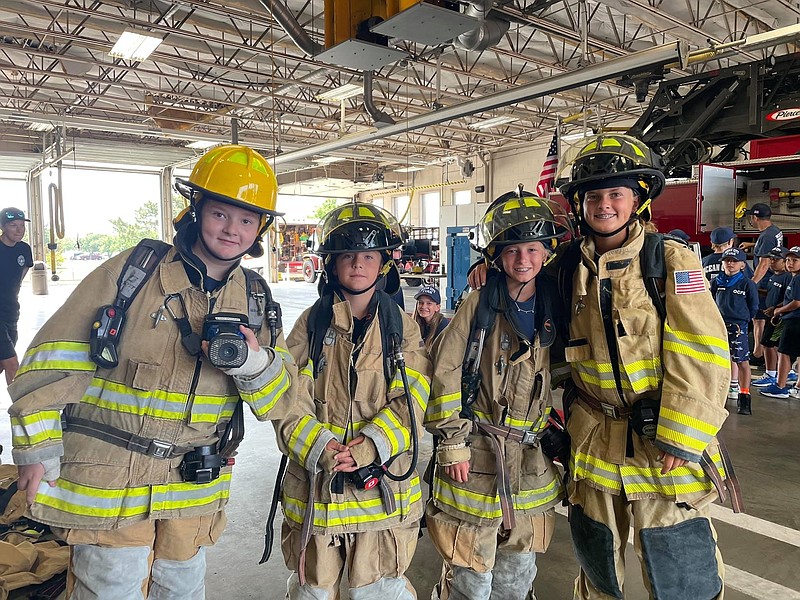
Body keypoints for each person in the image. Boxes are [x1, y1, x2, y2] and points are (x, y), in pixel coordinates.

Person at [8, 145, 296, 599]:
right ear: (195, 209)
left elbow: (281, 399)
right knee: (109, 589)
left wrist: (253, 363)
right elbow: (51, 361)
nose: (232, 230)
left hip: (191, 492)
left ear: (260, 228)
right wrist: (37, 451)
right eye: (221, 213)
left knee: (181, 592)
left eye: (246, 220)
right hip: (109, 482)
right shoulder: (133, 273)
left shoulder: (257, 301)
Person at [555, 134, 730, 599]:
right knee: (598, 571)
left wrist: (683, 431)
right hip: (593, 440)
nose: (604, 204)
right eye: (594, 195)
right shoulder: (566, 265)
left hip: (660, 443)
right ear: (580, 204)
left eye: (617, 193)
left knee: (681, 576)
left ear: (639, 199)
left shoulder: (670, 260)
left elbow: (702, 348)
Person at [276, 202, 432, 599]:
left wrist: (371, 445)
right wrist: (319, 444)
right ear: (331, 263)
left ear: (383, 263)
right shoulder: (310, 326)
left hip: (380, 495)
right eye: (347, 255)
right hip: (318, 489)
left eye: (368, 255)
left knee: (379, 592)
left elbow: (412, 398)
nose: (358, 264)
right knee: (312, 591)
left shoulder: (403, 329)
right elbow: (288, 398)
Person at [425, 191, 572, 600]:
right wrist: (452, 444)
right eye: (511, 250)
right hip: (477, 454)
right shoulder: (479, 304)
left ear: (547, 252)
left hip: (531, 457)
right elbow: (444, 371)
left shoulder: (554, 302)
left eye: (532, 248)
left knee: (520, 564)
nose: (523, 259)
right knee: (470, 564)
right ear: (494, 255)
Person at [710, 248, 759, 415]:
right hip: (719, 326)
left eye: (734, 261)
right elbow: (711, 301)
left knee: (742, 360)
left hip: (738, 327)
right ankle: (717, 395)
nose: (730, 263)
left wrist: (743, 321)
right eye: (727, 260)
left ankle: (744, 397)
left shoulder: (747, 283)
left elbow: (753, 307)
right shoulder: (717, 282)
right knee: (718, 360)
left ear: (743, 265)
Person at [740, 203, 783, 362]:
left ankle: (760, 354)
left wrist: (752, 284)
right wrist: (752, 245)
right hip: (772, 283)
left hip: (765, 284)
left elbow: (764, 264)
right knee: (762, 320)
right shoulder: (774, 231)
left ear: (755, 218)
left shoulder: (766, 236)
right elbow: (770, 249)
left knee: (760, 319)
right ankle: (760, 352)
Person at [761, 246, 800, 400]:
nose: (790, 263)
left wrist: (779, 310)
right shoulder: (793, 277)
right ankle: (797, 387)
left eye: (795, 260)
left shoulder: (797, 279)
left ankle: (780, 386)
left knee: (783, 352)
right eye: (788, 260)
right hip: (792, 318)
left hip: (794, 320)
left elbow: (797, 302)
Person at [753, 247, 794, 391]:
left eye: (776, 259)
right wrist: (754, 289)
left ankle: (773, 374)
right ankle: (778, 373)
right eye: (771, 258)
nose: (772, 262)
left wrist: (776, 309)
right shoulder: (772, 276)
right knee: (771, 344)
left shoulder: (788, 277)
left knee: (769, 344)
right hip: (772, 315)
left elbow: (790, 299)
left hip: (780, 318)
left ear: (784, 262)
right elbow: (769, 291)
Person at [0, 207, 33, 385]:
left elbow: (18, 279)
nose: (19, 230)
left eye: (22, 225)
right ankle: (20, 410)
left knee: (2, 364)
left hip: (11, 313)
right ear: (3, 227)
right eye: (13, 225)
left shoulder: (24, 250)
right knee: (12, 364)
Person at [413, 284, 449, 354]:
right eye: (421, 303)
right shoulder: (419, 323)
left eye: (429, 303)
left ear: (437, 307)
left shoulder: (443, 326)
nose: (423, 306)